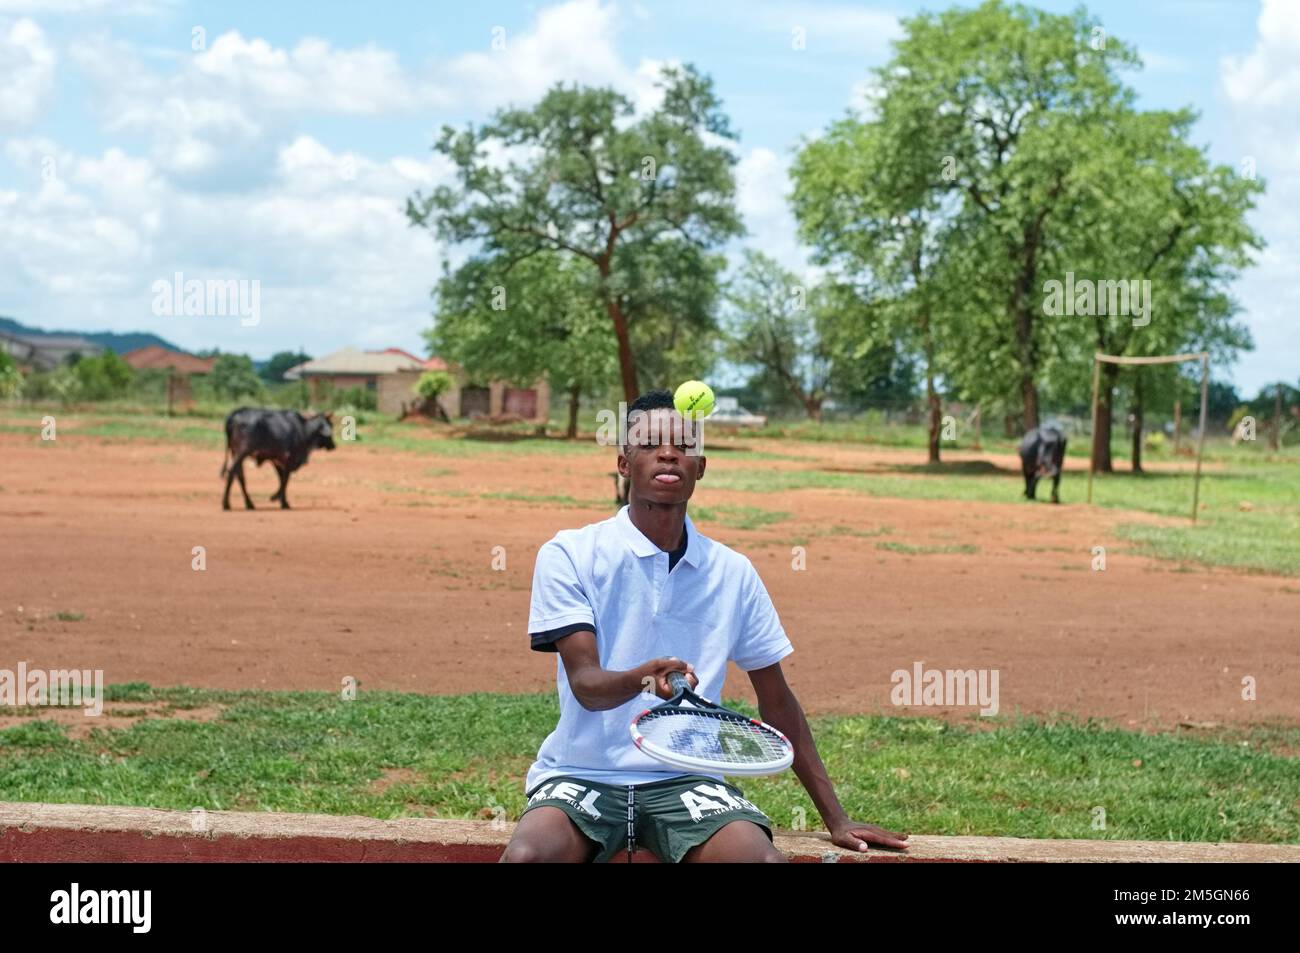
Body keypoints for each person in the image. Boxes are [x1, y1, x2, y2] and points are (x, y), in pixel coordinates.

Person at [500, 389, 909, 862]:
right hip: (583, 774)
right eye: (649, 443)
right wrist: (642, 678)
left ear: (701, 466)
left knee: (763, 862)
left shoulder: (732, 572)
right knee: (529, 857)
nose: (668, 452)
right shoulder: (570, 554)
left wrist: (836, 817)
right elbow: (587, 686)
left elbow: (776, 698)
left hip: (688, 781)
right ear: (623, 463)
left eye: (683, 445)